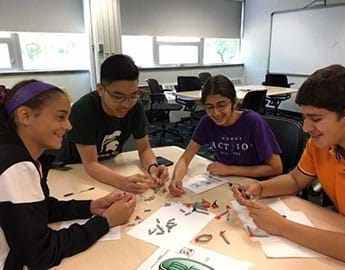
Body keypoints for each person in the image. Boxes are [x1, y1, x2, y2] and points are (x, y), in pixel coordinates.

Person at [0, 80, 136, 270]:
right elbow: (41, 254)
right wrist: (105, 222)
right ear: (25, 116)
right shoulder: (15, 165)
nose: (69, 126)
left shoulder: (20, 154)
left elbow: (39, 209)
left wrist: (91, 207)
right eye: (60, 117)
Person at [233, 65, 345, 266]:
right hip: (344, 228)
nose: (307, 128)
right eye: (305, 118)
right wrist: (261, 188)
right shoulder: (319, 144)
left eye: (316, 119)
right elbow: (295, 180)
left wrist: (282, 226)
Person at [58, 54, 169, 194]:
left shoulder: (135, 107)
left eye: (133, 96)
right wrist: (122, 182)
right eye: (118, 97)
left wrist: (153, 168)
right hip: (76, 169)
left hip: (111, 166)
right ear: (100, 89)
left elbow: (145, 148)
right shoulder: (83, 110)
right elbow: (91, 164)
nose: (126, 104)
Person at [169, 75, 282, 196]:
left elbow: (276, 168)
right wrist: (176, 179)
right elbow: (185, 158)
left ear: (234, 102)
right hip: (225, 182)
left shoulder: (253, 122)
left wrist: (230, 169)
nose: (215, 113)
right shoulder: (207, 122)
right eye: (209, 107)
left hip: (255, 185)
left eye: (221, 105)